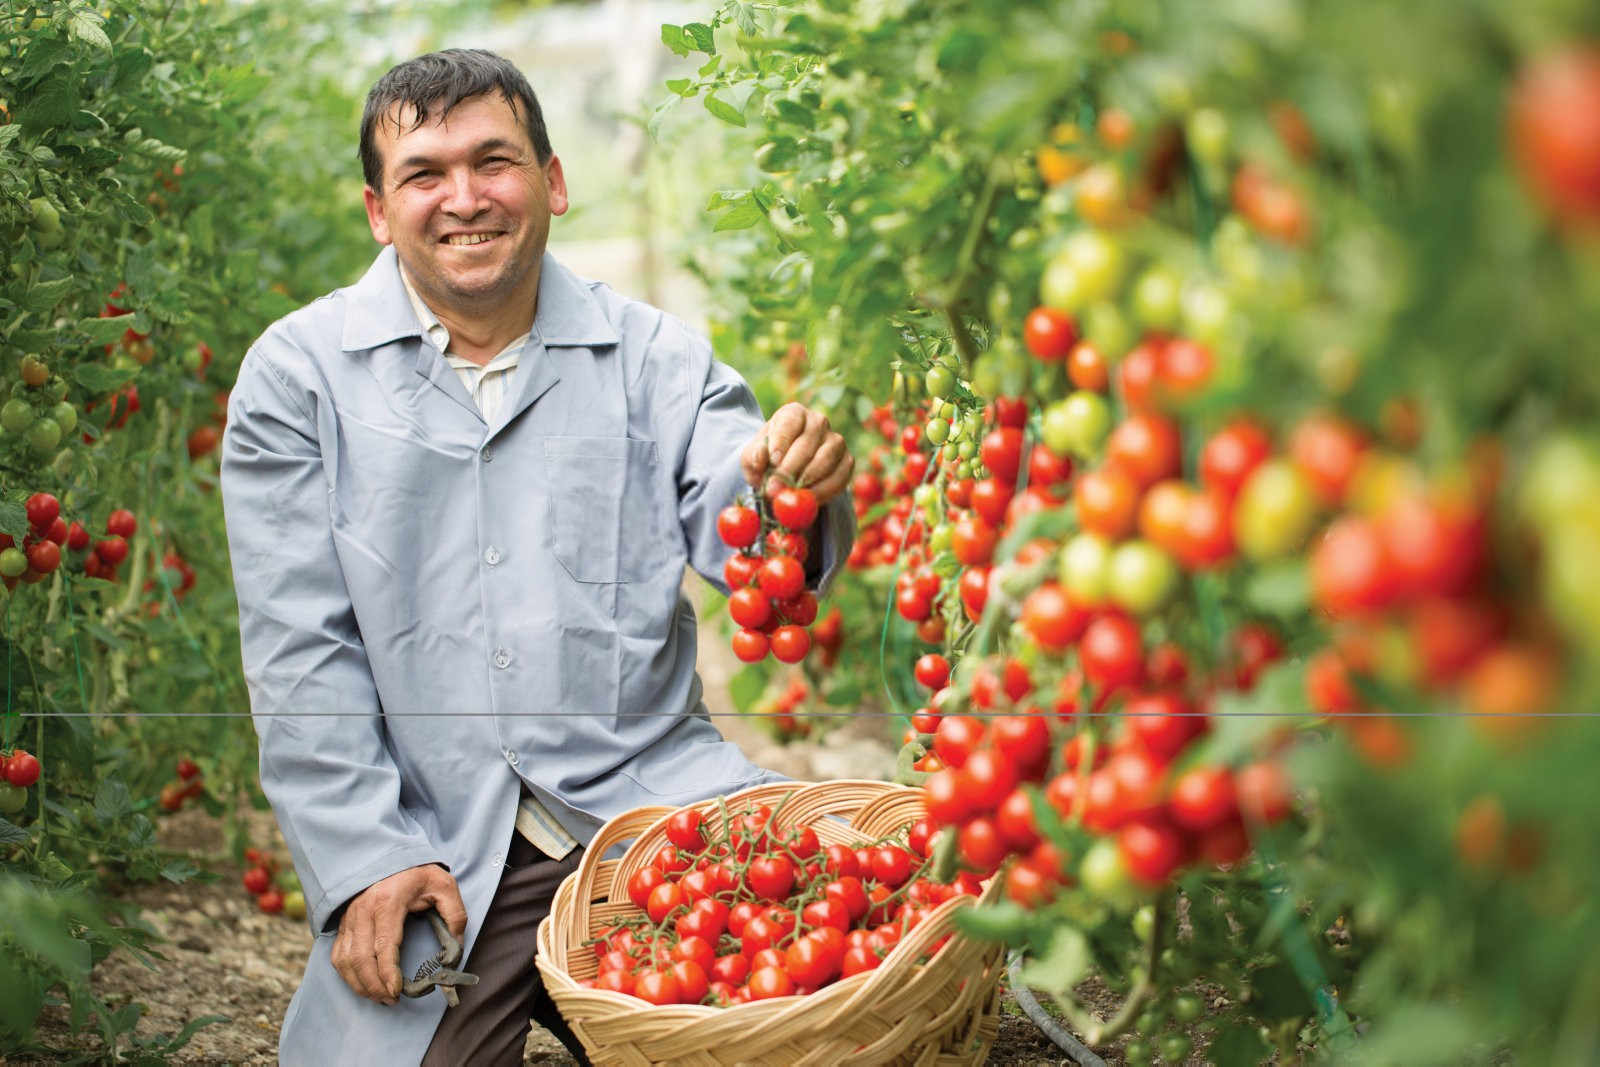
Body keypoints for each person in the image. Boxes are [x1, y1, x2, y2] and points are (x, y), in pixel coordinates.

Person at [219, 48, 854, 1067]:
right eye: (424, 173)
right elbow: (300, 649)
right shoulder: (297, 380)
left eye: (494, 161)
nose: (464, 198)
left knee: (822, 1004)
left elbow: (749, 539)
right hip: (441, 845)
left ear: (552, 182)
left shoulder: (657, 359)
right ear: (379, 210)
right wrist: (370, 853)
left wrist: (794, 489)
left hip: (655, 815)